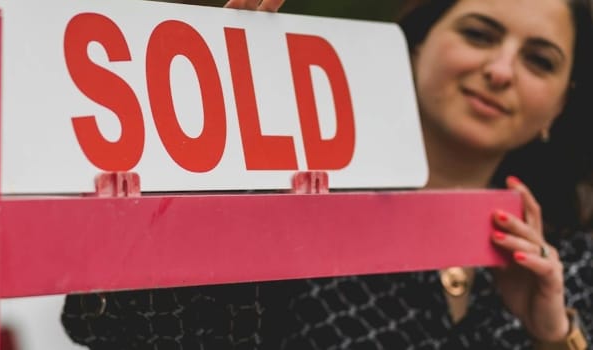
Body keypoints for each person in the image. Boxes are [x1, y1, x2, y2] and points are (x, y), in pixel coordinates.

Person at [61, 0, 593, 348]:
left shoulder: (575, 261)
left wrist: (555, 336)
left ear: (560, 107)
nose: (500, 71)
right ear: (413, 47)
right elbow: (109, 324)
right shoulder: (285, 203)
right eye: (479, 35)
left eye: (539, 61)